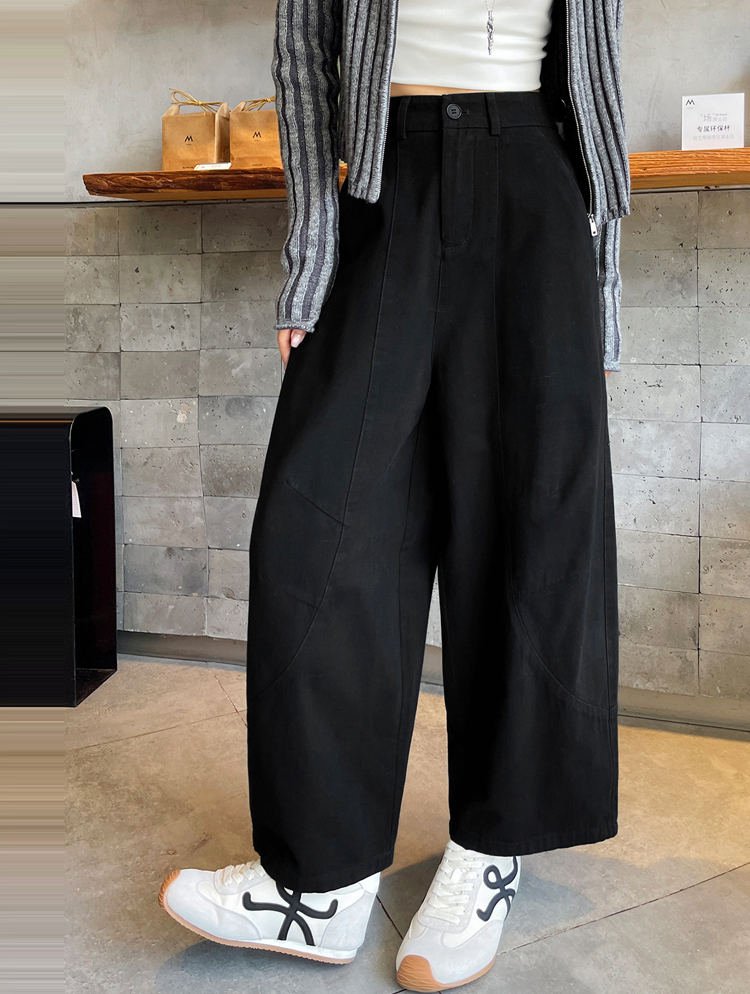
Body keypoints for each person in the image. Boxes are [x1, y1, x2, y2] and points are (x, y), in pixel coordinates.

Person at [159, 0, 631, 990]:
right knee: (321, 526)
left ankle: (491, 845)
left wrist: (602, 284)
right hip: (386, 186)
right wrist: (312, 254)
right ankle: (322, 881)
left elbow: (599, 70)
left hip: (534, 182)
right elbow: (302, 57)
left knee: (530, 529)